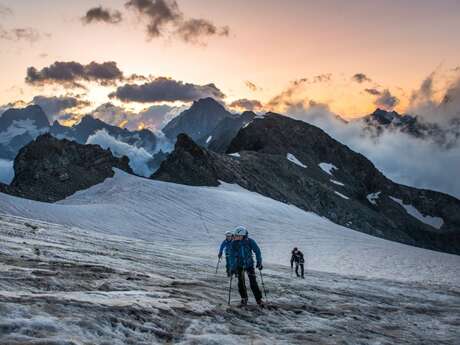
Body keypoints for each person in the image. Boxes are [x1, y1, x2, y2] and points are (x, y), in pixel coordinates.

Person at [228, 226, 264, 306]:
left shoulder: (250, 241)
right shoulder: (234, 243)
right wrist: (232, 267)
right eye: (235, 235)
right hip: (239, 265)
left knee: (253, 282)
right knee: (241, 282)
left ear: (242, 235)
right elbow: (231, 256)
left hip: (249, 265)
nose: (235, 237)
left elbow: (257, 251)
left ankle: (259, 300)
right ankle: (244, 299)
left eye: (237, 236)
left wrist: (259, 262)